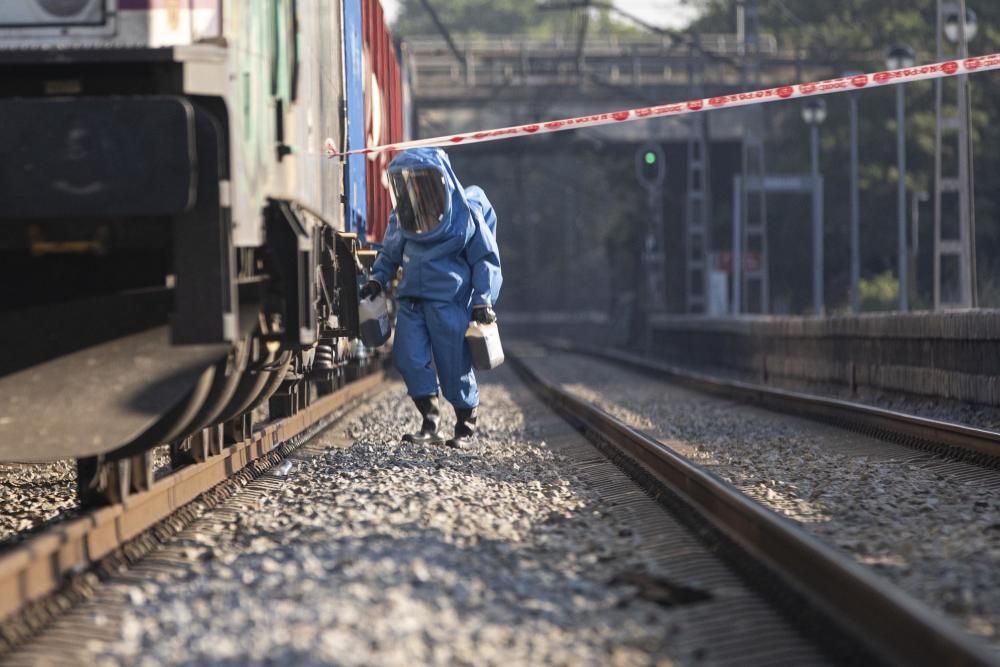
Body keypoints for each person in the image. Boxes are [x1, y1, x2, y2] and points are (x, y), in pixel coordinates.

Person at [360, 148, 502, 449]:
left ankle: (465, 424)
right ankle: (430, 421)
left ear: (441, 180)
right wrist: (376, 280)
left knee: (455, 366)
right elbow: (390, 253)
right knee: (408, 358)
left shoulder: (465, 215)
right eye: (412, 181)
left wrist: (483, 300)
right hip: (412, 301)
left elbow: (485, 260)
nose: (417, 187)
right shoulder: (405, 216)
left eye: (424, 180)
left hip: (449, 302)